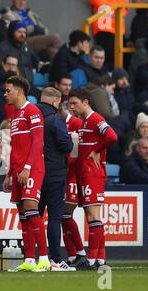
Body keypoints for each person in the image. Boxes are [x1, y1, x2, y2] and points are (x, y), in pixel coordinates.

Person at [2, 75, 50, 272]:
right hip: (19, 171)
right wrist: (9, 173)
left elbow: (38, 143)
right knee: (23, 214)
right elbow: (16, 149)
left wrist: (27, 168)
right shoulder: (14, 116)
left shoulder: (33, 111)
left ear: (19, 91)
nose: (5, 94)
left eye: (8, 90)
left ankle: (45, 260)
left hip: (32, 169)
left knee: (31, 208)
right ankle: (29, 260)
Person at [68, 88, 118, 269]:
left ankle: (90, 260)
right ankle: (101, 259)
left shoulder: (96, 119)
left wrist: (97, 150)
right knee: (92, 216)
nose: (72, 107)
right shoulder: (85, 122)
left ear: (86, 102)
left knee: (93, 216)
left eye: (75, 103)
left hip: (92, 173)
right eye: (70, 104)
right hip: (85, 173)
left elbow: (112, 136)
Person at [37, 87, 75, 271]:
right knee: (54, 218)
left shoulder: (31, 118)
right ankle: (55, 259)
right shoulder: (56, 121)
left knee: (33, 217)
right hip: (54, 175)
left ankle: (35, 258)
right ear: (55, 102)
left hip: (35, 175)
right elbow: (67, 145)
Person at [58, 97, 87, 266]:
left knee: (66, 215)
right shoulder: (57, 123)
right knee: (61, 217)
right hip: (60, 176)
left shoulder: (76, 123)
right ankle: (72, 255)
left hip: (72, 176)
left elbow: (80, 154)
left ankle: (81, 252)